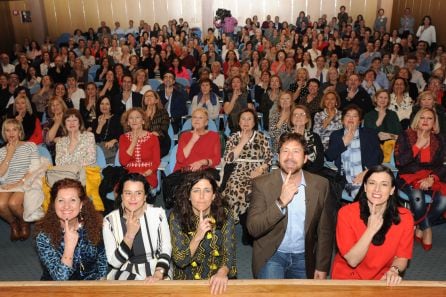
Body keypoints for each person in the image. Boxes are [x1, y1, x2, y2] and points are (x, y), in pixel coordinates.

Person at [247, 132, 334, 279]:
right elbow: (254, 229)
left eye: (296, 151)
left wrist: (321, 265)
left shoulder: (320, 185)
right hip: (272, 254)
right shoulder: (261, 184)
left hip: (304, 256)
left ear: (305, 158)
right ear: (278, 156)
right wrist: (280, 202)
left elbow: (325, 230)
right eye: (285, 151)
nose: (290, 157)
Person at [331, 165, 414, 285]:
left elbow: (402, 257)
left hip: (382, 278)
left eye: (384, 184)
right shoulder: (346, 214)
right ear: (365, 187)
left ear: (392, 190)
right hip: (348, 278)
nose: (377, 189)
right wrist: (370, 230)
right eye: (372, 183)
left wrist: (393, 270)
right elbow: (353, 261)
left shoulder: (405, 217)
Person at [169, 170, 237, 293]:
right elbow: (180, 260)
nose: (201, 196)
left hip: (218, 277)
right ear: (188, 196)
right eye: (196, 191)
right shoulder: (177, 216)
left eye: (207, 191)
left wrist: (222, 273)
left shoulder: (225, 214)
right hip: (187, 279)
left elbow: (229, 252)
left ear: (214, 195)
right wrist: (198, 236)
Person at [395, 107, 446, 251]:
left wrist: (432, 178)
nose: (425, 121)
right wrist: (418, 145)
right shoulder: (405, 135)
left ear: (434, 123)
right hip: (408, 176)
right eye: (423, 117)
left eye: (430, 118)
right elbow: (400, 162)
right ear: (417, 120)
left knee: (444, 200)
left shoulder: (440, 139)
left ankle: (420, 225)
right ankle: (427, 229)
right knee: (418, 196)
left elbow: (443, 165)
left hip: (431, 177)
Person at [35, 178, 107, 280]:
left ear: (81, 204)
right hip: (58, 289)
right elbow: (61, 279)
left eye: (72, 200)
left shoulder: (94, 225)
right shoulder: (44, 236)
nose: (66, 206)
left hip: (91, 283)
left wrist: (102, 281)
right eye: (61, 200)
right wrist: (69, 247)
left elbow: (102, 258)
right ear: (53, 204)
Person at [103, 173, 171, 280]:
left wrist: (158, 274)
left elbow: (166, 248)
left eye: (138, 193)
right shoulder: (109, 221)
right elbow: (114, 264)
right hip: (124, 270)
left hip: (156, 267)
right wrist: (129, 235)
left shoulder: (158, 214)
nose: (133, 198)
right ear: (121, 196)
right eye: (128, 193)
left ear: (145, 196)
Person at [221, 109, 273, 242]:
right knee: (236, 186)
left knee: (254, 189)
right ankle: (245, 224)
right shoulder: (233, 137)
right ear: (238, 122)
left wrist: (260, 169)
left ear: (255, 122)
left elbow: (269, 158)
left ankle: (250, 227)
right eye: (243, 119)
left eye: (249, 119)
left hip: (258, 169)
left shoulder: (261, 137)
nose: (246, 122)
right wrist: (242, 141)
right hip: (237, 169)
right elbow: (228, 158)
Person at [325, 105, 383, 200]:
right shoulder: (336, 135)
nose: (351, 118)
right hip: (347, 180)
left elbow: (379, 155)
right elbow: (329, 156)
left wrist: (367, 171)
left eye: (355, 116)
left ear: (360, 121)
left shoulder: (369, 134)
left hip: (368, 175)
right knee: (365, 197)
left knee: (378, 193)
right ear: (343, 120)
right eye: (348, 115)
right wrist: (344, 142)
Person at [0, 119, 41, 241]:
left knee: (13, 203)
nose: (11, 133)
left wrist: (18, 183)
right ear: (4, 133)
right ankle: (13, 223)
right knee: (1, 205)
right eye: (7, 130)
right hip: (7, 184)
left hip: (26, 182)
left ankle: (24, 222)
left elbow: (35, 169)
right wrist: (9, 154)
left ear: (20, 132)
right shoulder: (1, 151)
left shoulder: (30, 146)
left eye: (14, 129)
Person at [119, 108, 160, 190]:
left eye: (137, 117)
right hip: (129, 174)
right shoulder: (123, 138)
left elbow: (156, 161)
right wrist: (134, 142)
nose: (134, 120)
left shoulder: (153, 138)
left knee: (137, 188)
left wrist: (150, 171)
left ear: (143, 121)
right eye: (131, 118)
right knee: (121, 190)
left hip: (147, 174)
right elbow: (123, 162)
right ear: (128, 122)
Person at [174, 108, 221, 172]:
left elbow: (217, 159)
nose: (196, 120)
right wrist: (192, 140)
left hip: (205, 171)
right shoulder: (184, 135)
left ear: (206, 122)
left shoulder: (214, 136)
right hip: (185, 171)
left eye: (200, 118)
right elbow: (180, 159)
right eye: (194, 117)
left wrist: (202, 162)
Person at [364, 90, 402, 162]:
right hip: (374, 148)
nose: (383, 100)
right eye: (380, 97)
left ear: (388, 100)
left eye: (385, 98)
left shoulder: (393, 114)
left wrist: (390, 135)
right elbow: (367, 135)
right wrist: (380, 118)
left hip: (392, 148)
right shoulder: (368, 115)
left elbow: (400, 135)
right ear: (375, 99)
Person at [289, 105, 324, 173]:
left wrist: (306, 175)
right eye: (295, 114)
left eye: (302, 114)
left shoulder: (315, 137)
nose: (298, 117)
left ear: (307, 119)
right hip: (290, 172)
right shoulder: (285, 136)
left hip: (311, 174)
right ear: (291, 119)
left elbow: (320, 162)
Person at [91, 96, 122, 164]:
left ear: (111, 106)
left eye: (107, 104)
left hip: (111, 148)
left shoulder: (116, 119)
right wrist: (100, 125)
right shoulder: (95, 121)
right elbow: (94, 139)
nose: (104, 106)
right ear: (99, 105)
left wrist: (113, 140)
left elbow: (120, 135)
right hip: (98, 149)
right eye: (102, 104)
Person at [142, 90, 171, 158]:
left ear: (156, 100)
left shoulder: (163, 112)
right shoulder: (141, 114)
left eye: (151, 96)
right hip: (144, 142)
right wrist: (147, 117)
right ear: (144, 101)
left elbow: (163, 130)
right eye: (146, 96)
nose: (148, 97)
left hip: (161, 142)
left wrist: (149, 135)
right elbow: (140, 130)